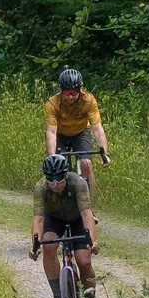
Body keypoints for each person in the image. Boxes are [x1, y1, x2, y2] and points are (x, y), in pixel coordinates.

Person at [29, 153, 100, 298]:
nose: (55, 183)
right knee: (48, 245)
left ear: (66, 175)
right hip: (54, 220)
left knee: (84, 260)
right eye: (51, 179)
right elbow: (38, 219)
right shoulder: (41, 187)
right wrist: (35, 244)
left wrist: (92, 241)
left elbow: (87, 214)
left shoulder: (78, 183)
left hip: (77, 219)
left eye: (59, 179)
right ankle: (58, 297)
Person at [44, 68, 111, 200]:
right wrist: (52, 157)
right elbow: (51, 132)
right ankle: (55, 203)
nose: (70, 97)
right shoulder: (52, 103)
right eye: (67, 93)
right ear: (61, 91)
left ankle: (89, 206)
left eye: (74, 93)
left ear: (80, 90)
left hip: (81, 132)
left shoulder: (89, 100)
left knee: (86, 164)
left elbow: (97, 128)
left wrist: (105, 153)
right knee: (56, 167)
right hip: (60, 134)